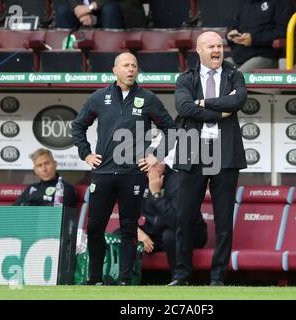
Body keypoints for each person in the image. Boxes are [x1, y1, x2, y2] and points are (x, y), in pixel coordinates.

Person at [72, 52, 176, 285]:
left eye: (134, 66)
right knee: (96, 227)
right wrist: (86, 154)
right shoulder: (99, 97)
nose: (131, 69)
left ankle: (125, 281)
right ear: (115, 70)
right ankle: (94, 279)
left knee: (129, 227)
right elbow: (78, 126)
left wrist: (155, 156)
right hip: (103, 173)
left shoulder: (147, 98)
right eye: (126, 65)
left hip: (133, 175)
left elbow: (171, 128)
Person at [169, 31, 247, 286]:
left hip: (225, 154)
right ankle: (181, 275)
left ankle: (218, 278)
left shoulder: (234, 74)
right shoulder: (185, 78)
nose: (217, 50)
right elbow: (184, 107)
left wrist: (203, 103)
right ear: (198, 50)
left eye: (219, 46)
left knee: (224, 221)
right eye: (211, 46)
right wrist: (219, 112)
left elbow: (238, 100)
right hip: (193, 152)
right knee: (184, 218)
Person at [138, 161, 207, 278]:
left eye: (155, 163)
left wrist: (156, 194)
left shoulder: (178, 181)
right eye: (147, 164)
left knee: (169, 235)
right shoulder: (139, 181)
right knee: (122, 234)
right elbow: (128, 214)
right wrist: (138, 232)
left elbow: (176, 221)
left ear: (162, 162)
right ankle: (125, 281)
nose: (151, 168)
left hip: (190, 233)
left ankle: (179, 280)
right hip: (157, 233)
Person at [226, 0, 294, 72]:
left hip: (264, 55)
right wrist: (231, 34)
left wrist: (254, 39)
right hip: (238, 57)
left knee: (237, 78)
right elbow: (233, 24)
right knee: (214, 70)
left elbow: (283, 31)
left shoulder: (281, 2)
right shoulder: (245, 3)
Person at [56, 0, 147, 29]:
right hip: (90, 11)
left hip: (120, 10)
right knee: (64, 11)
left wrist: (90, 8)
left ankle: (111, 57)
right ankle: (68, 59)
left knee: (110, 10)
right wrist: (78, 9)